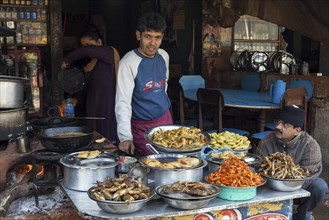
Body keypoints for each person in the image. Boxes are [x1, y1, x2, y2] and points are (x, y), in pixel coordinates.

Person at [256, 105, 328, 220]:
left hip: (299, 186)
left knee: (319, 186)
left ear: (297, 131)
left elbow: (307, 175)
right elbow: (259, 169)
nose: (278, 127)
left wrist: (285, 181)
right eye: (278, 122)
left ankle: (303, 214)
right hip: (271, 187)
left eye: (285, 125)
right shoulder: (266, 143)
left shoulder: (310, 146)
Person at [115, 12, 173, 156]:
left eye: (157, 37)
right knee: (151, 165)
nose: (153, 43)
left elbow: (163, 84)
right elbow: (123, 102)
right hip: (142, 127)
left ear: (162, 37)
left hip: (165, 120)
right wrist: (125, 137)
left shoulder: (164, 56)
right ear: (138, 35)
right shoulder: (128, 63)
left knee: (172, 161)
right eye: (148, 36)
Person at [61, 26, 119, 143]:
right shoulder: (91, 64)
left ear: (99, 42)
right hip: (93, 107)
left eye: (90, 45)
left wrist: (67, 59)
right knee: (94, 138)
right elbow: (87, 85)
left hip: (107, 106)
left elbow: (85, 51)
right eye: (83, 45)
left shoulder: (109, 53)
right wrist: (76, 99)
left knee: (107, 139)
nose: (86, 49)